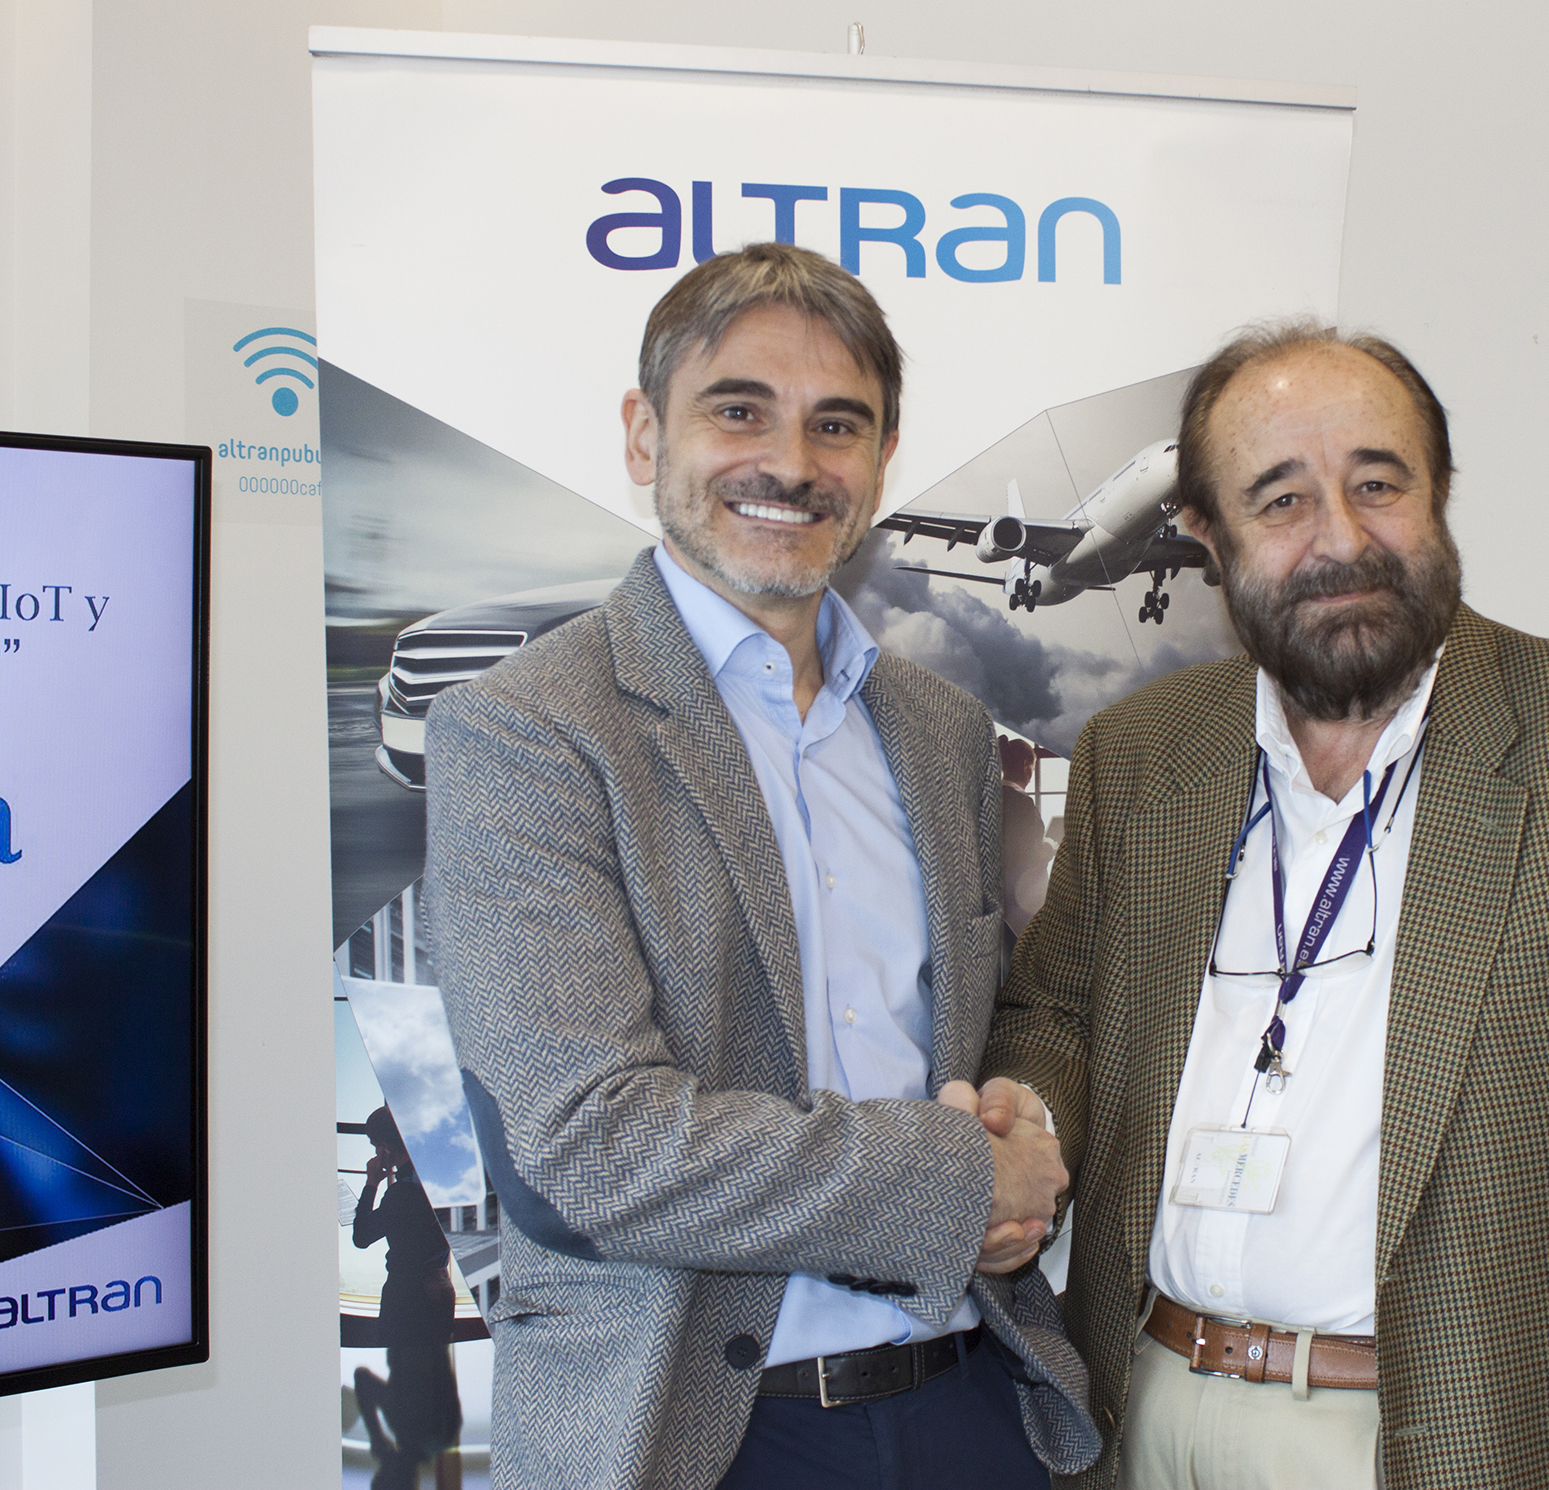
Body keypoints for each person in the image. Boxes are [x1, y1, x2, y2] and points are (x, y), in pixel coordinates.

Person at [978, 320, 1549, 1488]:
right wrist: (1027, 1113)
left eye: (1379, 482)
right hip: (1147, 1414)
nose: (1343, 537)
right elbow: (1056, 1012)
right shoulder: (1142, 751)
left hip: (1457, 1443)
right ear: (1206, 531)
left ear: (1440, 491)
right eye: (1282, 499)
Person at [426, 242, 1093, 1490]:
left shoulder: (943, 731)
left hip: (969, 1405)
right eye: (739, 410)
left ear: (882, 461)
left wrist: (1023, 1121)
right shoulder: (528, 731)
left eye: (836, 424)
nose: (791, 463)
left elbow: (988, 1023)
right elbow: (589, 1145)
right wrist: (962, 1180)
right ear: (644, 435)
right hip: (696, 1434)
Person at [350, 1105, 462, 1490]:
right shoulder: (433, 1179)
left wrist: (372, 1183)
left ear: (385, 1146)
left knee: (413, 1359)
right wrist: (380, 1442)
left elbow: (361, 1235)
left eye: (374, 1145)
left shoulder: (401, 1193)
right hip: (436, 1292)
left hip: (407, 1297)